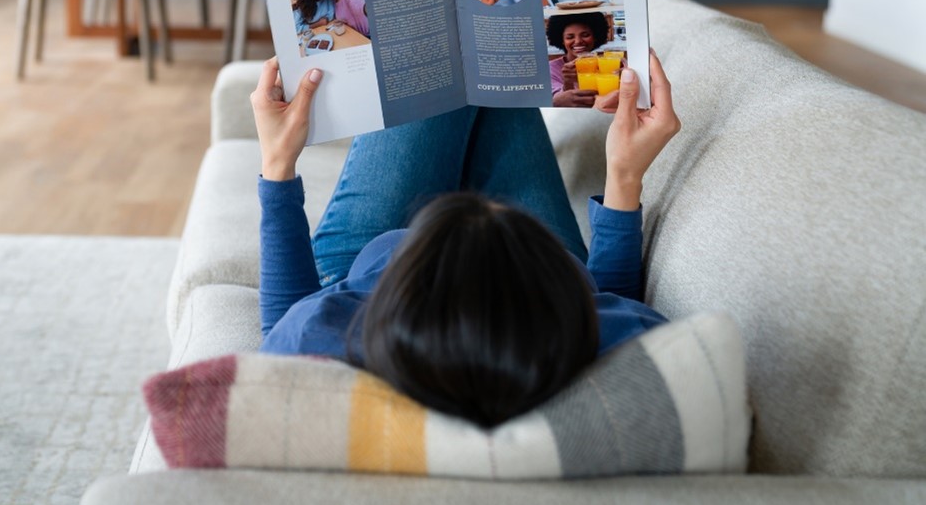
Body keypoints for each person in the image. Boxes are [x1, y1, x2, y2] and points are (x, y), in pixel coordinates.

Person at [250, 50, 681, 428]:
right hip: (552, 266)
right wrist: (625, 175)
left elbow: (282, 325)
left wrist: (277, 160)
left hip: (360, 262)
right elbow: (612, 300)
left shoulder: (332, 337)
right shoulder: (614, 345)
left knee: (436, 53)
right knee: (489, 58)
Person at [546, 12, 612, 108]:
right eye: (570, 37)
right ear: (562, 40)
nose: (578, 41)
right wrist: (567, 82)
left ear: (595, 37)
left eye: (585, 35)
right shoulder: (550, 69)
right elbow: (557, 101)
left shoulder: (607, 65)